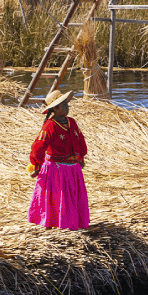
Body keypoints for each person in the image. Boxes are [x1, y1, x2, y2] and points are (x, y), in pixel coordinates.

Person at [28, 90, 90, 230]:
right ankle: (51, 224)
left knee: (72, 197)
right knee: (56, 198)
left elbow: (80, 140)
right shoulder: (50, 126)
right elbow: (38, 147)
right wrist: (36, 166)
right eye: (63, 104)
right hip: (56, 169)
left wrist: (81, 157)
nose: (67, 107)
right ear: (55, 109)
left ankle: (73, 224)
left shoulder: (71, 122)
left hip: (73, 168)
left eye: (66, 104)